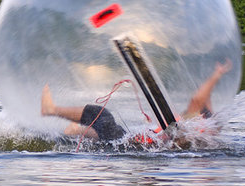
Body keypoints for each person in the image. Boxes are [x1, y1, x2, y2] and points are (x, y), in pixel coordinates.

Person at [41, 59, 233, 143]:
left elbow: (197, 100)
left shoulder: (197, 134)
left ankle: (51, 110)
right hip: (131, 139)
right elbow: (200, 100)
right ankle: (76, 130)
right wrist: (216, 75)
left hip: (132, 145)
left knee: (102, 116)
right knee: (106, 129)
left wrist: (217, 74)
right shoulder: (200, 127)